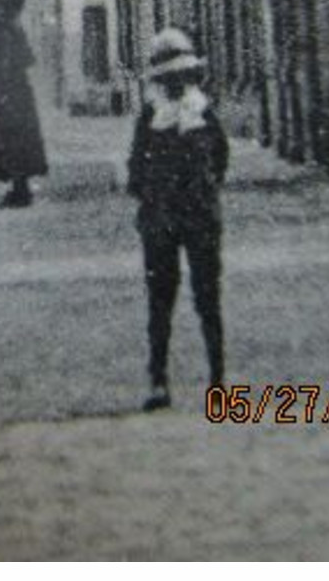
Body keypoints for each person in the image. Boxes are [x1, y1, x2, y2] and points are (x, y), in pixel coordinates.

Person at [126, 28, 229, 409]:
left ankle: (218, 383)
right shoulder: (151, 118)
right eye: (168, 78)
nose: (175, 83)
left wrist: (202, 194)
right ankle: (158, 381)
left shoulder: (204, 114)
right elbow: (135, 170)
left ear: (190, 77)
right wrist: (155, 202)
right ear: (159, 80)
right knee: (160, 300)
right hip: (160, 221)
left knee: (208, 298)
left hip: (200, 218)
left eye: (181, 77)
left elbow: (219, 160)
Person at [0, 0, 48, 209]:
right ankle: (20, 187)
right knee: (20, 140)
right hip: (20, 92)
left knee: (8, 140)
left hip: (4, 90)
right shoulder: (15, 29)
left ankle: (19, 190)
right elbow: (28, 60)